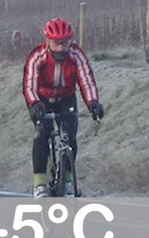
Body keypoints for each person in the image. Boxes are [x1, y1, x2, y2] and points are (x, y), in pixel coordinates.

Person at [23, 17, 104, 198]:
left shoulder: (77, 56)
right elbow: (29, 84)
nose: (60, 48)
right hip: (42, 100)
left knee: (70, 136)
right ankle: (39, 183)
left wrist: (93, 103)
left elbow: (86, 80)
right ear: (48, 41)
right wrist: (34, 104)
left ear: (70, 41)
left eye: (65, 43)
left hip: (66, 98)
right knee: (41, 135)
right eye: (56, 43)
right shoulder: (38, 57)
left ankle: (68, 180)